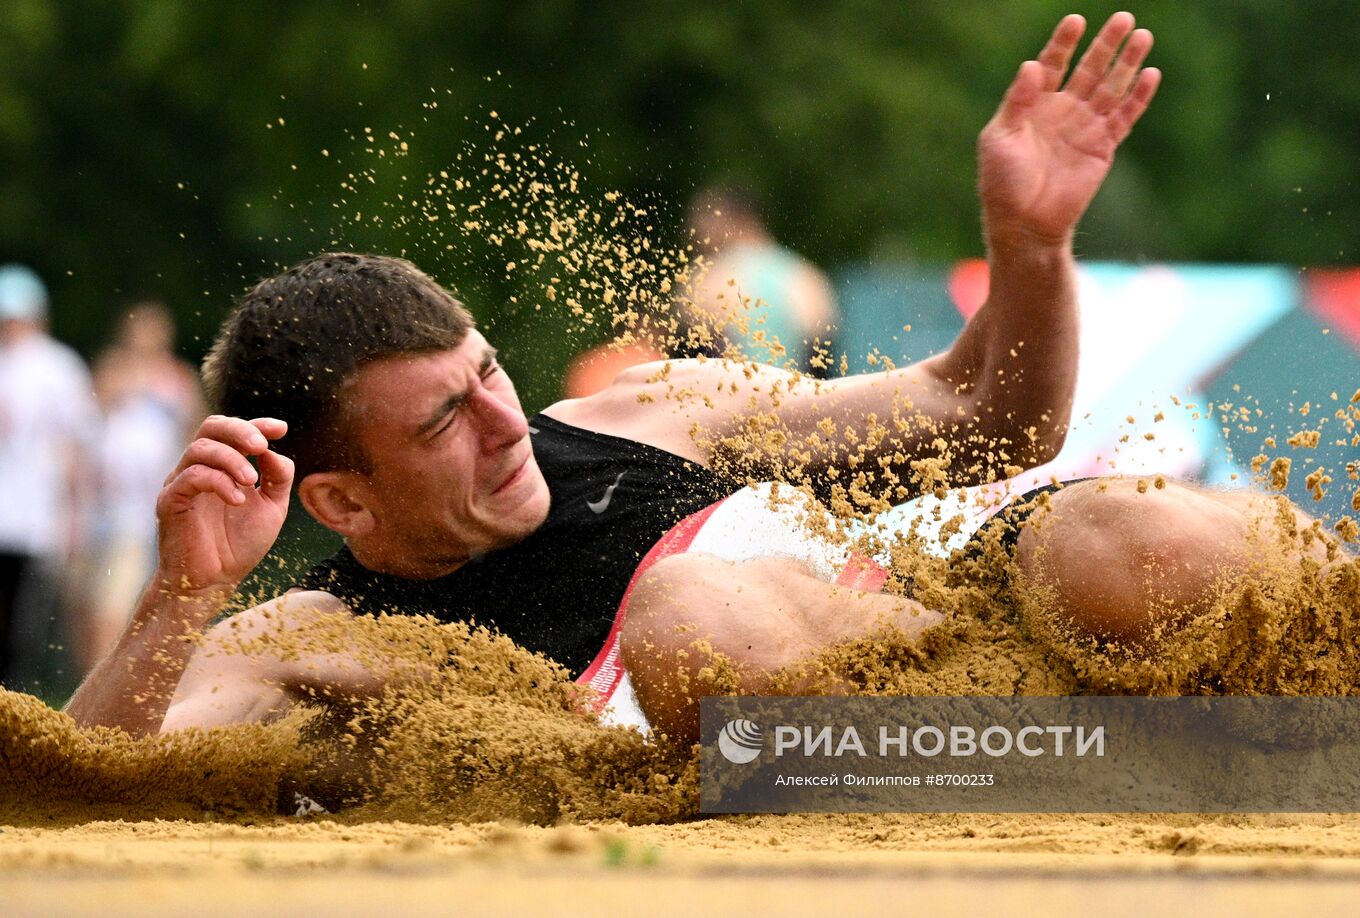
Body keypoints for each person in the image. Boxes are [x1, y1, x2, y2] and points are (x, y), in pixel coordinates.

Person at [69, 14, 1202, 748]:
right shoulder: (314, 635)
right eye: (446, 421)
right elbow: (80, 790)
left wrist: (1029, 248)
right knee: (684, 614)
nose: (508, 423)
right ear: (343, 502)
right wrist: (180, 599)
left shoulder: (647, 407)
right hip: (816, 734)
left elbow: (990, 422)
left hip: (957, 644)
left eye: (490, 373)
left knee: (1113, 529)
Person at [70, 302, 203, 675]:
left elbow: (193, 432)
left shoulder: (177, 379)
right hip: (96, 508)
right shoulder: (112, 370)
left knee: (109, 607)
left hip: (138, 511)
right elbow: (86, 422)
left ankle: (101, 689)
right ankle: (89, 684)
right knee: (81, 608)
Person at [0, 265, 98, 694]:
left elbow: (75, 447)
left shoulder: (57, 368)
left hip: (32, 519)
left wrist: (76, 512)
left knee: (19, 631)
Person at [680, 184, 837, 371]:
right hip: (798, 394)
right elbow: (824, 344)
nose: (696, 234)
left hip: (729, 392)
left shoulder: (709, 278)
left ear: (730, 219)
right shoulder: (806, 277)